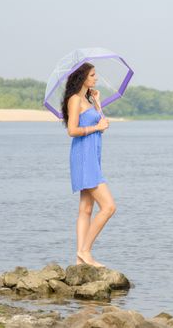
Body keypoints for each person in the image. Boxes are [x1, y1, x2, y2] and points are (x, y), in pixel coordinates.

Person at [60, 62, 115, 268]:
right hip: (83, 157)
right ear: (82, 77)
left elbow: (102, 124)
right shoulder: (74, 100)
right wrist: (96, 127)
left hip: (92, 156)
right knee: (109, 207)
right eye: (92, 75)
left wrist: (98, 103)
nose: (96, 78)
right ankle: (85, 251)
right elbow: (72, 130)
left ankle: (79, 259)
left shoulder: (87, 99)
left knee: (86, 208)